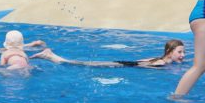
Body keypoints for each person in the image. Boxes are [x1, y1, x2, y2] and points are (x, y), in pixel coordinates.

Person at [32, 39, 186, 68]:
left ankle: (52, 56)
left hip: (124, 63)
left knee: (84, 64)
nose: (183, 55)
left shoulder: (158, 59)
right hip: (121, 66)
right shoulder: (160, 63)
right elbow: (139, 65)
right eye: (180, 52)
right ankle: (52, 57)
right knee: (83, 65)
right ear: (169, 52)